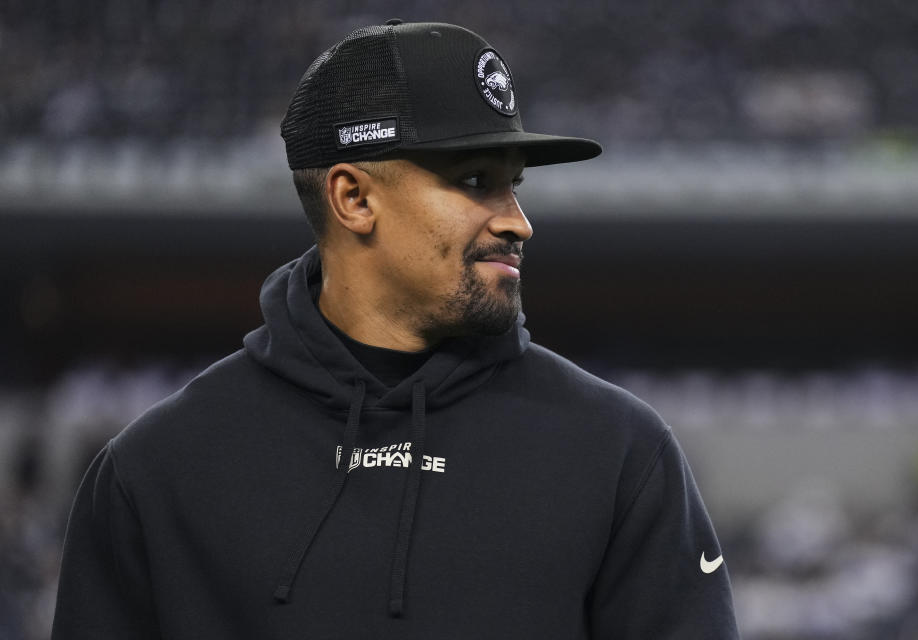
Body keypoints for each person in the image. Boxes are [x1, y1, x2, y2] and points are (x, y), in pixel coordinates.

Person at [52, 20, 739, 639]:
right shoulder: (157, 471)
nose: (516, 222)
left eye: (514, 184)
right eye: (474, 180)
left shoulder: (620, 452)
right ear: (353, 198)